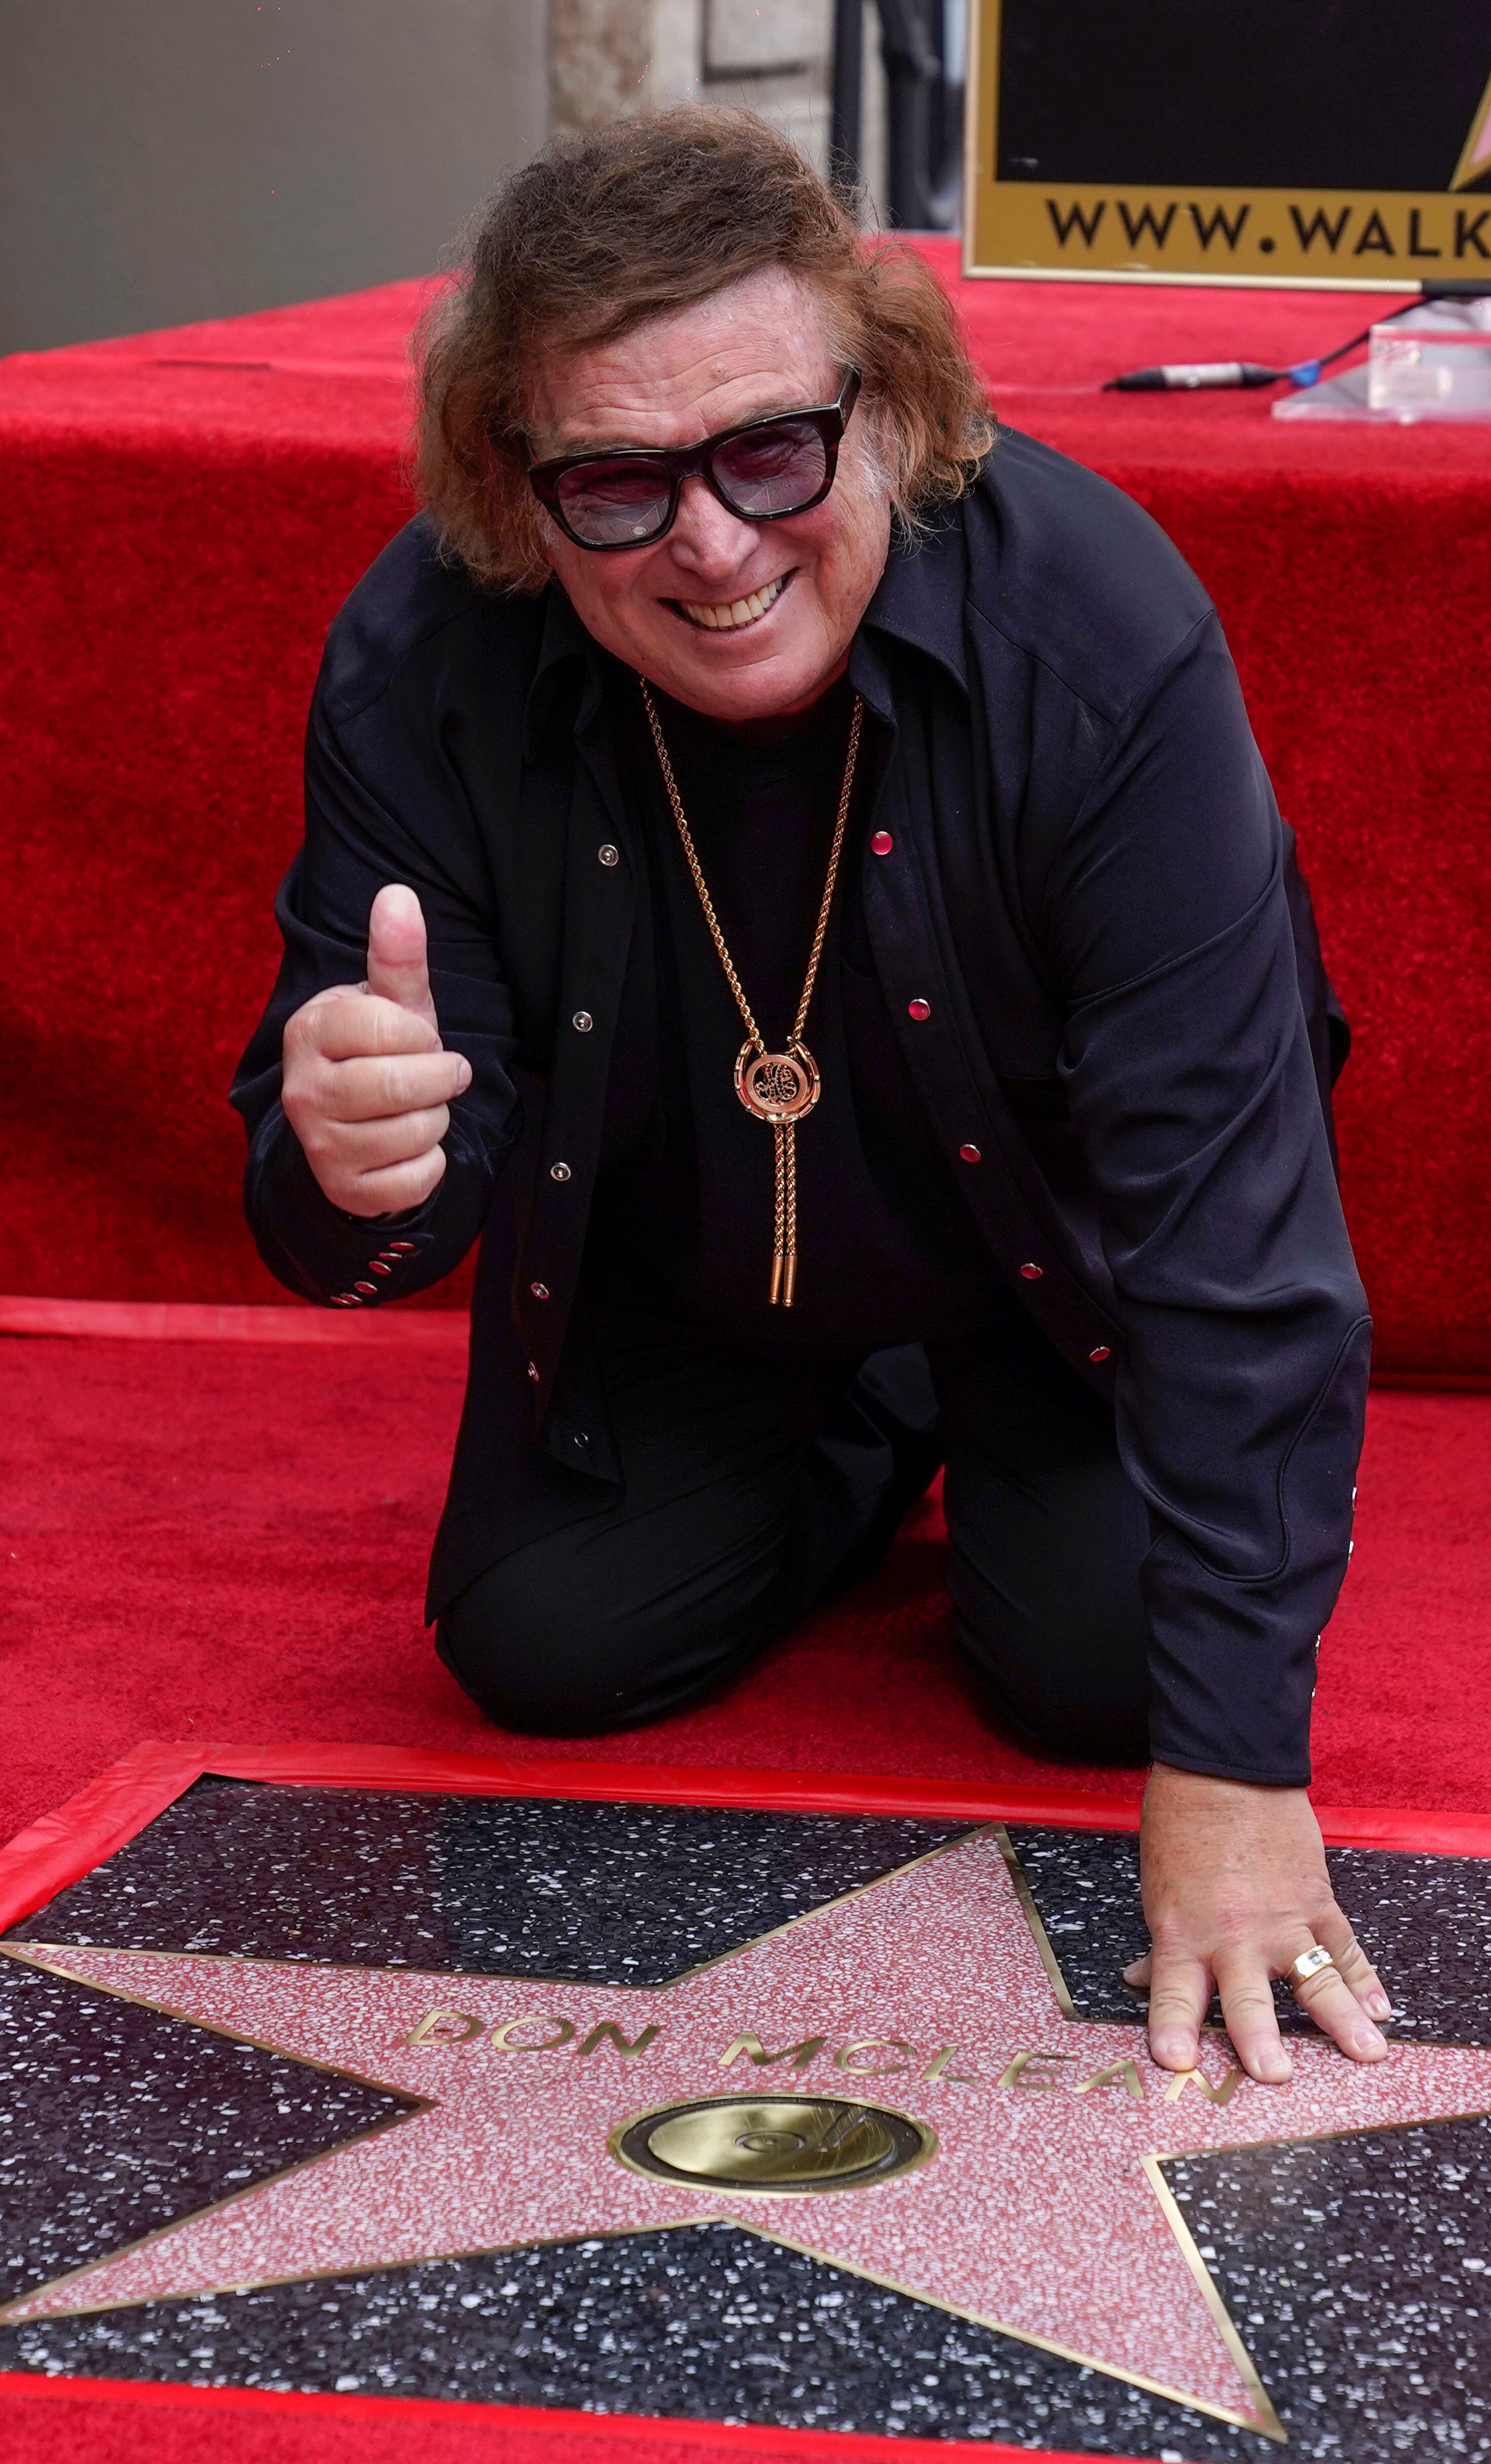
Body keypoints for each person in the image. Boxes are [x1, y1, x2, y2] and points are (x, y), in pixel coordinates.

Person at [232, 108, 1387, 2085]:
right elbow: (359, 1202)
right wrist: (351, 1171)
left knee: (1110, 1671)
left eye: (771, 448)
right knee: (546, 1646)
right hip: (684, 1278)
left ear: (888, 398)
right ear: (516, 489)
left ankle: (969, 1408)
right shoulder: (424, 654)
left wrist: (1234, 1775)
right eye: (616, 483)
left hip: (1061, 1274)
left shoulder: (1093, 632)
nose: (711, 540)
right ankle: (867, 1429)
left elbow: (1234, 1218)